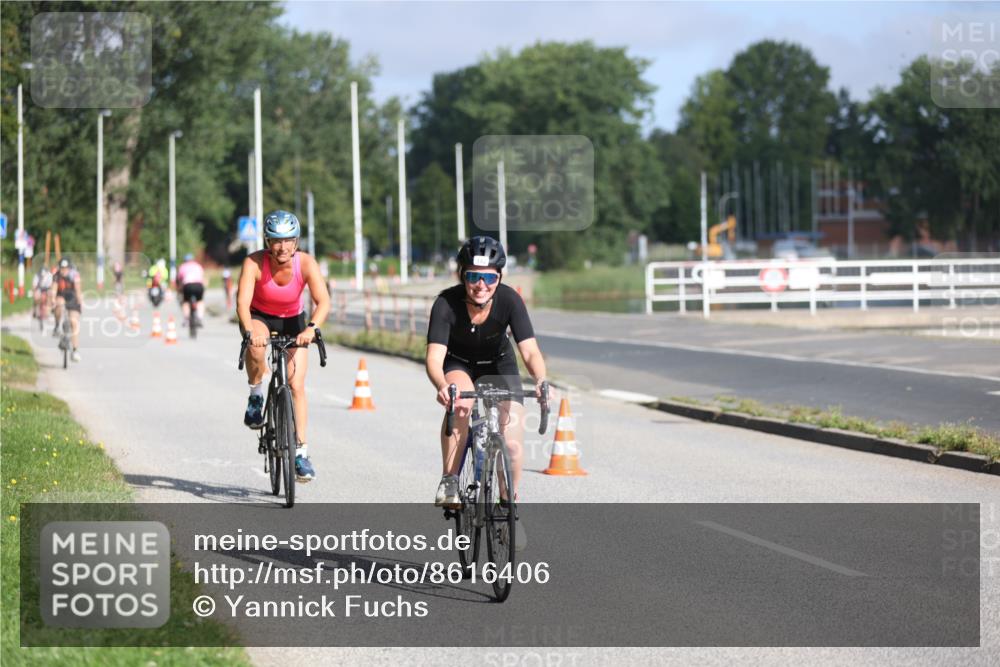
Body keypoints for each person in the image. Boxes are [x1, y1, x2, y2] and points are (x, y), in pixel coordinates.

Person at [425, 237, 547, 527]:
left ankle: (508, 504)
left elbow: (529, 351)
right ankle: (450, 479)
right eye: (473, 277)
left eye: (489, 278)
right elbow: (434, 357)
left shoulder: (509, 300)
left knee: (513, 446)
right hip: (459, 363)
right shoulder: (445, 303)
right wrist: (441, 385)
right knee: (461, 403)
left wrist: (541, 380)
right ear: (462, 276)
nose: (481, 285)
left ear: (499, 277)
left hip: (499, 364)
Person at [236, 210, 330, 482]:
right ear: (267, 242)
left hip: (293, 320)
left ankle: (300, 453)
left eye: (288, 240)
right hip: (260, 316)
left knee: (296, 384)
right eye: (276, 240)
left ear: (296, 241)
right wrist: (249, 331)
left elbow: (323, 301)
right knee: (256, 348)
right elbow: (242, 303)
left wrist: (310, 329)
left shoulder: (306, 263)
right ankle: (256, 395)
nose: (283, 247)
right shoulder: (253, 263)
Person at [50, 258, 82, 362]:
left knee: (74, 323)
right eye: (62, 268)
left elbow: (78, 289)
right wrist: (53, 300)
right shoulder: (56, 276)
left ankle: (75, 350)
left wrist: (79, 302)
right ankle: (57, 326)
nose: (64, 270)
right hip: (61, 295)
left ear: (69, 268)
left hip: (72, 297)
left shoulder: (74, 275)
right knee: (59, 303)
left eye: (66, 268)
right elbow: (54, 289)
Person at [176, 253, 206, 326]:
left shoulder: (183, 266)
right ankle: (199, 318)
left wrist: (179, 288)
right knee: (200, 301)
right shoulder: (198, 266)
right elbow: (202, 277)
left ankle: (186, 319)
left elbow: (179, 279)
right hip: (198, 285)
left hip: (188, 285)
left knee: (185, 301)